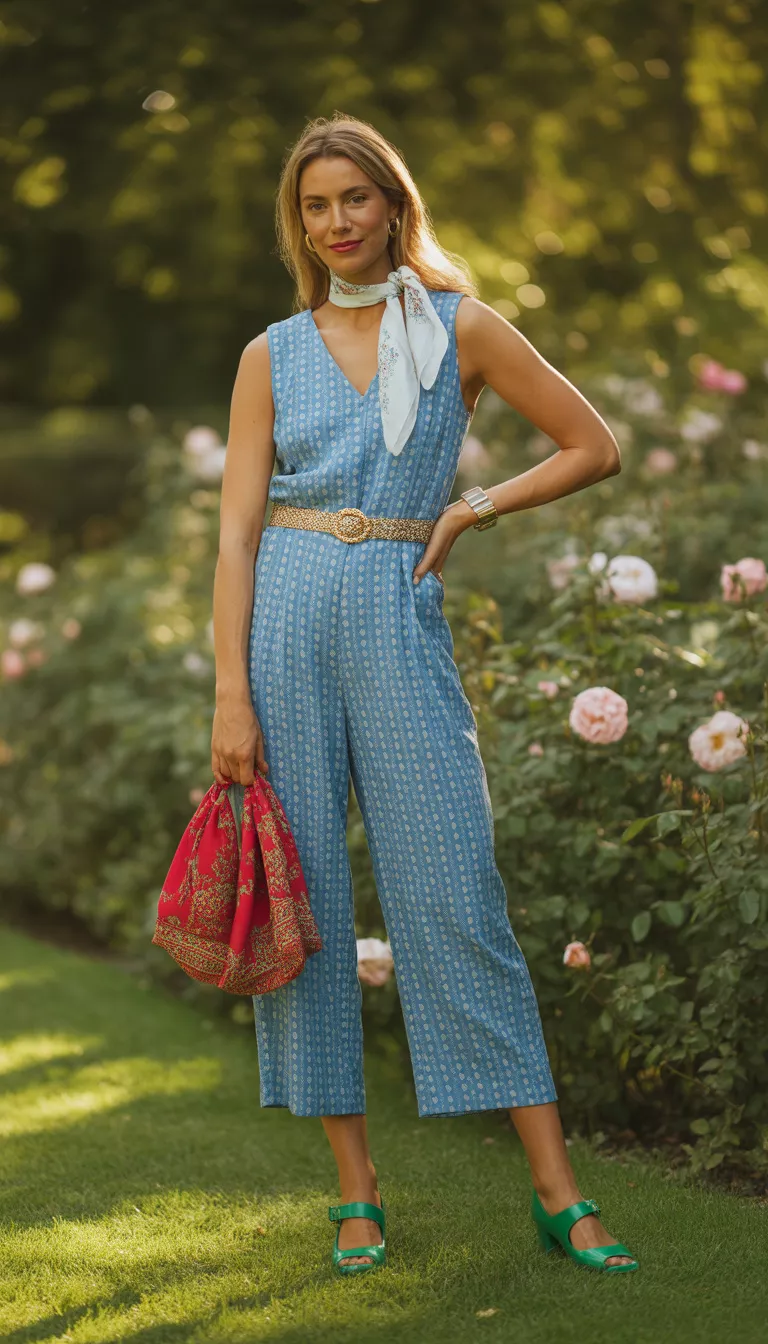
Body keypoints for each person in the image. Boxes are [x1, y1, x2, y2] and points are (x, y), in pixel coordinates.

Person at [211, 112, 638, 1277]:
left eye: (355, 198)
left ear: (395, 204)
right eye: (315, 206)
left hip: (398, 609)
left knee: (454, 891)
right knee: (303, 907)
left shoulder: (463, 329)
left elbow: (591, 445)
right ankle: (357, 1193)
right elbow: (238, 530)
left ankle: (560, 1192)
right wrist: (227, 695)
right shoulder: (272, 351)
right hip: (286, 613)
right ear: (299, 225)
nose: (337, 222)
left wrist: (471, 506)